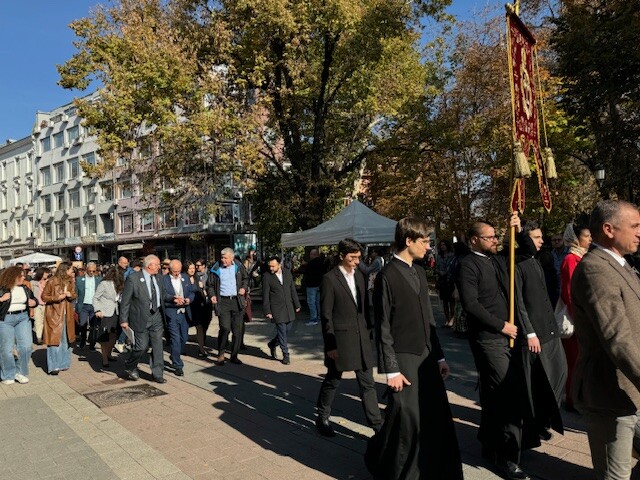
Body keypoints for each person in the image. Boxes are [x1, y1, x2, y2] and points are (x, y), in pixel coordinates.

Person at [365, 219, 462, 480]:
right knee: (406, 418)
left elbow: (429, 321)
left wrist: (440, 355)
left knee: (434, 415)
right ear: (408, 240)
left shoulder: (419, 272)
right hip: (402, 356)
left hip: (427, 355)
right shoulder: (386, 276)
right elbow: (382, 327)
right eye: (425, 241)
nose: (429, 246)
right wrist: (391, 370)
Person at [457, 214, 531, 480]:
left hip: (507, 339)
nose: (495, 240)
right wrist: (501, 325)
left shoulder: (499, 259)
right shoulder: (468, 265)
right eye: (490, 237)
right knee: (507, 394)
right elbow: (471, 305)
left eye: (496, 236)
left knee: (492, 394)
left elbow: (527, 252)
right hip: (489, 339)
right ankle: (508, 456)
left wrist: (519, 230)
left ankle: (490, 443)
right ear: (475, 240)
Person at [571, 200, 640, 480]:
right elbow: (617, 336)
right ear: (609, 229)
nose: (639, 232)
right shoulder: (596, 269)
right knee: (615, 475)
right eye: (634, 226)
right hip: (611, 392)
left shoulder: (621, 265)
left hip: (631, 389)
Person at [315, 238, 382, 437]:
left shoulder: (361, 276)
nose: (356, 261)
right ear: (342, 256)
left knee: (367, 383)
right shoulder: (329, 279)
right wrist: (331, 345)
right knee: (333, 379)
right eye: (352, 257)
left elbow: (363, 307)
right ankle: (323, 415)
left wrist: (369, 331)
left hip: (362, 338)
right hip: (341, 341)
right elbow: (326, 315)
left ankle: (378, 426)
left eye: (358, 257)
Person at [515, 221, 567, 443]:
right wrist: (529, 333)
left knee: (560, 374)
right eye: (536, 238)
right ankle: (537, 424)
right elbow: (519, 303)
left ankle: (544, 419)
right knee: (539, 383)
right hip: (535, 334)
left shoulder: (537, 261)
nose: (542, 241)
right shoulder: (517, 264)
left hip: (550, 330)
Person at [560, 220, 591, 412]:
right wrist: (580, 318)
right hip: (576, 321)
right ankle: (573, 399)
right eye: (586, 236)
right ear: (576, 239)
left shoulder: (582, 258)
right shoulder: (571, 259)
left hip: (583, 316)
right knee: (575, 361)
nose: (590, 240)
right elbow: (571, 293)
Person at [119, 255, 166, 383]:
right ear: (150, 265)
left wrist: (173, 299)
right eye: (157, 264)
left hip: (156, 316)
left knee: (157, 346)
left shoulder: (159, 278)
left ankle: (157, 373)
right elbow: (125, 301)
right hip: (139, 317)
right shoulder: (133, 278)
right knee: (141, 346)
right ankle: (130, 365)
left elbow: (163, 296)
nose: (159, 267)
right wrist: (123, 319)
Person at [207, 248, 248, 365]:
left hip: (236, 301)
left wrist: (243, 288)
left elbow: (246, 278)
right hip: (223, 302)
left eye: (225, 258)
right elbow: (209, 285)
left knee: (237, 330)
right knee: (225, 328)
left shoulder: (239, 266)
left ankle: (234, 355)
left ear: (231, 258)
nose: (223, 260)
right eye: (222, 257)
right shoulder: (215, 268)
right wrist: (212, 295)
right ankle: (221, 354)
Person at [0, 266, 37, 384]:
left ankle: (20, 372)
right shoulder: (2, 288)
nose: (23, 277)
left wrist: (34, 302)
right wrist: (1, 299)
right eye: (20, 276)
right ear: (12, 276)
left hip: (23, 318)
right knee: (6, 349)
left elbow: (33, 299)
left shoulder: (25, 288)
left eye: (24, 275)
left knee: (26, 346)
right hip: (6, 319)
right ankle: (8, 374)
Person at [263, 256, 301, 365]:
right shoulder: (267, 277)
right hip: (276, 309)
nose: (271, 268)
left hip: (289, 307)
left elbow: (292, 290)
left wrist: (297, 304)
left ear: (279, 265)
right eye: (269, 266)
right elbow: (265, 295)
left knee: (287, 330)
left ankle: (273, 343)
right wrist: (267, 311)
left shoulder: (287, 273)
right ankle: (286, 354)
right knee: (282, 332)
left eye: (273, 266)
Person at [42, 262, 77, 375]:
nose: (73, 271)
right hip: (54, 314)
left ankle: (64, 363)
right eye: (71, 269)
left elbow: (74, 294)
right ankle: (53, 366)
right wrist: (57, 297)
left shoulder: (70, 281)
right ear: (65, 270)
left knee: (66, 339)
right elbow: (44, 296)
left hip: (67, 314)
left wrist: (70, 295)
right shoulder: (52, 281)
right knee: (54, 340)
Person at [162, 259, 195, 376]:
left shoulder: (185, 278)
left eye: (178, 271)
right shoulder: (164, 280)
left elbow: (191, 292)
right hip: (172, 312)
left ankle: (174, 354)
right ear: (170, 270)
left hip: (184, 312)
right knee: (175, 339)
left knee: (184, 338)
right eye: (174, 271)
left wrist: (188, 299)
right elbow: (163, 296)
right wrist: (173, 300)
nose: (177, 273)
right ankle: (177, 365)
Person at [92, 266, 123, 368]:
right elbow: (96, 298)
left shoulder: (120, 285)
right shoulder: (104, 284)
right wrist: (98, 310)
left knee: (113, 335)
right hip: (105, 313)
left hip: (116, 312)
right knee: (105, 336)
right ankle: (104, 358)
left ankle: (109, 354)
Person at [75, 261, 102, 349]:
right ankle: (83, 340)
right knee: (82, 324)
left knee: (93, 326)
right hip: (83, 305)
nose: (91, 272)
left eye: (93, 271)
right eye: (89, 271)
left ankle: (92, 343)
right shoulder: (79, 279)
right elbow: (76, 293)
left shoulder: (99, 280)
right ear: (86, 270)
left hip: (94, 306)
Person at [191, 259, 212, 357]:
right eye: (196, 266)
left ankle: (202, 338)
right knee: (200, 324)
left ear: (204, 266)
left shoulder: (209, 274)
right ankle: (201, 343)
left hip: (208, 302)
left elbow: (212, 286)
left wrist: (205, 287)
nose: (197, 268)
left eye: (199, 265)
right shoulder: (195, 276)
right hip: (199, 303)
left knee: (207, 320)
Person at [436, 240, 456, 327]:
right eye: (441, 245)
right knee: (444, 301)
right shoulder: (439, 256)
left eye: (444, 244)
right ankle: (447, 319)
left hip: (449, 280)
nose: (442, 246)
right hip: (442, 280)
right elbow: (436, 267)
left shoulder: (452, 255)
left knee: (451, 301)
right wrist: (438, 271)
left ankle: (452, 319)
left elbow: (452, 267)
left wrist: (445, 272)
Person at [302, 249, 325, 326]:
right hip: (319, 285)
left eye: (311, 254)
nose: (310, 256)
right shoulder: (322, 263)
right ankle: (319, 317)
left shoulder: (310, 264)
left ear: (314, 255)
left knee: (311, 302)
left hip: (311, 285)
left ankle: (313, 318)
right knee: (318, 302)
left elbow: (306, 272)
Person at [30, 267, 51, 345]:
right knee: (38, 321)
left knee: (46, 321)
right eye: (46, 273)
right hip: (37, 305)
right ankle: (39, 338)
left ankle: (46, 337)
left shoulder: (49, 282)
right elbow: (31, 294)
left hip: (46, 304)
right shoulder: (33, 282)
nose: (47, 274)